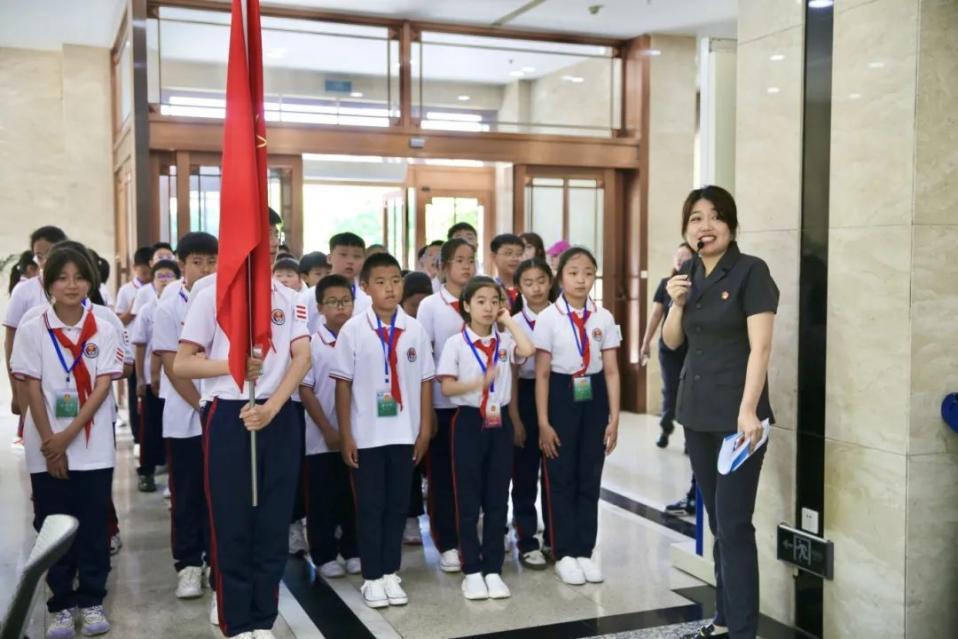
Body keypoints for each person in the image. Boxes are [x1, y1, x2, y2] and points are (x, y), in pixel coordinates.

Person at [663, 186, 778, 639]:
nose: (704, 226)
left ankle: (744, 632)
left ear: (731, 225)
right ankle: (725, 620)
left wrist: (748, 410)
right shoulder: (688, 272)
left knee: (734, 525)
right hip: (697, 414)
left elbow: (761, 347)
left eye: (714, 217)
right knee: (716, 522)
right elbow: (673, 342)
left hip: (738, 421)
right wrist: (675, 303)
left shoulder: (752, 272)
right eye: (695, 218)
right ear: (686, 228)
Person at [174, 276, 311, 638]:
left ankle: (263, 618)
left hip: (278, 412)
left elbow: (303, 357)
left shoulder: (291, 297)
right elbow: (182, 364)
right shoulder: (211, 296)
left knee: (272, 520)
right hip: (229, 412)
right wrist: (231, 366)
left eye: (271, 241)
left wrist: (273, 407)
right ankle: (236, 621)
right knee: (231, 520)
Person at [11, 244, 125, 639]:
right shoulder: (32, 327)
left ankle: (92, 600)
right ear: (49, 283)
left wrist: (68, 436)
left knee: (94, 525)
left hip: (92, 444)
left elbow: (103, 386)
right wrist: (50, 442)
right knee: (52, 524)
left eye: (79, 277)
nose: (71, 285)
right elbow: (30, 385)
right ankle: (60, 604)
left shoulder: (105, 327)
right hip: (45, 443)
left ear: (91, 280)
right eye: (62, 277)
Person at [330, 252, 434, 610]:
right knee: (370, 507)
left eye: (395, 280)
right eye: (380, 282)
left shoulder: (415, 329)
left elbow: (424, 382)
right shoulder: (353, 330)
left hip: (404, 434)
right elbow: (342, 386)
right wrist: (346, 435)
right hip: (367, 435)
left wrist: (423, 431)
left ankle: (391, 571)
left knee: (396, 506)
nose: (390, 288)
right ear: (365, 287)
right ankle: (372, 576)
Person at [438, 276, 534, 600]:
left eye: (495, 301)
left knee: (497, 497)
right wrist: (477, 383)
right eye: (481, 301)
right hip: (468, 421)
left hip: (500, 421)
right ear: (466, 306)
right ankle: (472, 569)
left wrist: (508, 321)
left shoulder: (505, 342)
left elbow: (528, 349)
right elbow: (447, 387)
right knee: (468, 499)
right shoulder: (456, 343)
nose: (489, 308)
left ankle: (493, 568)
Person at [534, 246, 621, 586]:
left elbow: (612, 371)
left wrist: (614, 416)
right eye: (573, 272)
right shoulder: (549, 318)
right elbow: (540, 374)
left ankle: (584, 550)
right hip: (560, 392)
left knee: (590, 474)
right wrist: (543, 422)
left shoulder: (603, 317)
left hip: (594, 395)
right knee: (560, 474)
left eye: (588, 272)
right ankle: (563, 551)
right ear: (561, 276)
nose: (581, 279)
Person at [152, 232, 218, 601]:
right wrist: (201, 405)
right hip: (187, 416)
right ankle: (188, 565)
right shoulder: (168, 305)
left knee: (217, 492)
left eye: (212, 261)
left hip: (220, 411)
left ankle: (214, 559)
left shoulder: (222, 298)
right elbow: (170, 364)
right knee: (188, 492)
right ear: (182, 265)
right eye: (197, 262)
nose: (206, 269)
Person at [415, 238, 476, 572]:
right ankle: (447, 542)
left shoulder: (482, 299)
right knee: (443, 476)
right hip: (443, 404)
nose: (467, 266)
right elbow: (425, 360)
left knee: (472, 476)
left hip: (477, 404)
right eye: (460, 260)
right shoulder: (431, 306)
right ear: (443, 267)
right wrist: (427, 412)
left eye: (472, 260)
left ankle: (470, 538)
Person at [299, 274, 360, 578]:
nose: (341, 308)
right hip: (321, 437)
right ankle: (323, 554)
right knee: (322, 497)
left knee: (352, 495)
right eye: (334, 303)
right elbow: (306, 389)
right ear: (320, 307)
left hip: (356, 435)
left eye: (346, 301)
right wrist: (328, 430)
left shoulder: (360, 339)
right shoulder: (312, 345)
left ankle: (352, 549)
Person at [508, 258, 556, 569]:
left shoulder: (563, 316)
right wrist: (514, 416)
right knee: (524, 473)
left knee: (556, 472)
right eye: (528, 282)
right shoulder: (514, 322)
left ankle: (555, 537)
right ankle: (527, 540)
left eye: (541, 280)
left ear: (550, 281)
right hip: (524, 395)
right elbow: (511, 374)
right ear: (519, 287)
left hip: (559, 393)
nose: (536, 287)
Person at [4, 225, 68, 418]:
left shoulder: (75, 288)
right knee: (38, 437)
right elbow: (10, 342)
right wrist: (15, 389)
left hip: (69, 379)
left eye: (49, 253)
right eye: (39, 256)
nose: (44, 261)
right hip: (33, 382)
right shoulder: (24, 291)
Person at [130, 259, 179, 493]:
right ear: (153, 280)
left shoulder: (182, 304)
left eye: (170, 276)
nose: (165, 280)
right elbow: (140, 346)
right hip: (153, 380)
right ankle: (146, 472)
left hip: (177, 379)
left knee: (171, 430)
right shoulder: (147, 309)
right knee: (149, 428)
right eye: (160, 276)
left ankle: (171, 475)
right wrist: (142, 378)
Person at [640, 242, 694, 448]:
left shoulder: (699, 284)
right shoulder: (665, 284)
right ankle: (665, 428)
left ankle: (691, 439)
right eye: (677, 256)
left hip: (692, 348)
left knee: (691, 392)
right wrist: (645, 343)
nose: (680, 259)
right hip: (669, 349)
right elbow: (655, 314)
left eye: (685, 256)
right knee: (671, 390)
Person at [398, 270, 437, 545]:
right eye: (414, 307)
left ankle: (415, 516)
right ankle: (403, 517)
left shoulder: (421, 331)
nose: (419, 313)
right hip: (393, 408)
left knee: (419, 460)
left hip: (423, 404)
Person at [298, 232, 371, 335]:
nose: (350, 261)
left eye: (357, 256)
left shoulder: (368, 301)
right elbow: (298, 332)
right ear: (329, 258)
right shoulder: (309, 297)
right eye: (343, 255)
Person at [115, 246, 153, 326]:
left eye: (151, 272)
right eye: (144, 273)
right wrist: (132, 310)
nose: (149, 277)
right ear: (135, 267)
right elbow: (118, 323)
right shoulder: (125, 290)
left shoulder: (160, 288)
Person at [490, 233, 524, 307]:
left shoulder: (527, 288)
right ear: (493, 256)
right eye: (508, 253)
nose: (515, 258)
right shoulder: (488, 287)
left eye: (519, 254)